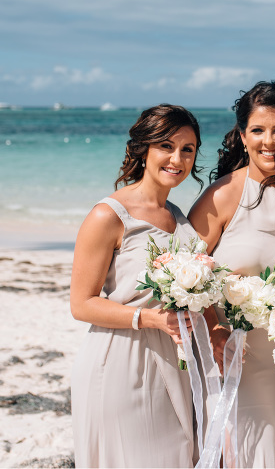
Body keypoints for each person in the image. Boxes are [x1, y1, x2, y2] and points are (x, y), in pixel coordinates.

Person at [70, 104, 204, 467]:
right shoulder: (108, 215)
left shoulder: (179, 217)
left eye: (187, 149)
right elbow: (81, 304)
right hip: (122, 360)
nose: (177, 158)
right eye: (166, 146)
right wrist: (152, 320)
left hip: (175, 362)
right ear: (143, 149)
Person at [187, 80, 275, 468]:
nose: (269, 141)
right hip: (232, 354)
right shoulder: (222, 196)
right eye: (257, 130)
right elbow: (181, 277)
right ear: (242, 136)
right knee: (237, 452)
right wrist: (214, 330)